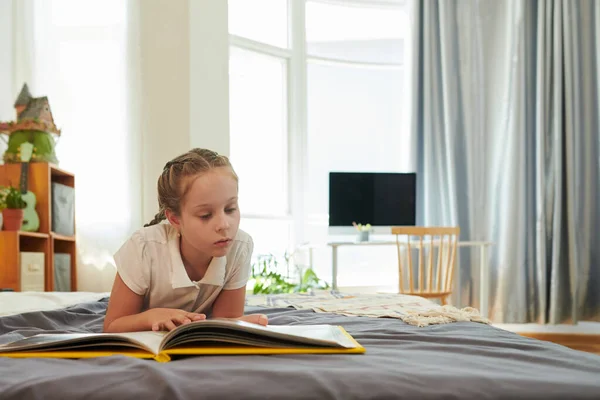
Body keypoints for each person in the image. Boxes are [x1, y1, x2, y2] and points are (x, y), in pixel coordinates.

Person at [103, 148, 268, 333]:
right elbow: (112, 326)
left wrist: (236, 325)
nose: (224, 225)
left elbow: (224, 320)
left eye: (230, 209)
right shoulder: (143, 248)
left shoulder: (240, 246)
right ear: (175, 219)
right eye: (205, 215)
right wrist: (152, 316)